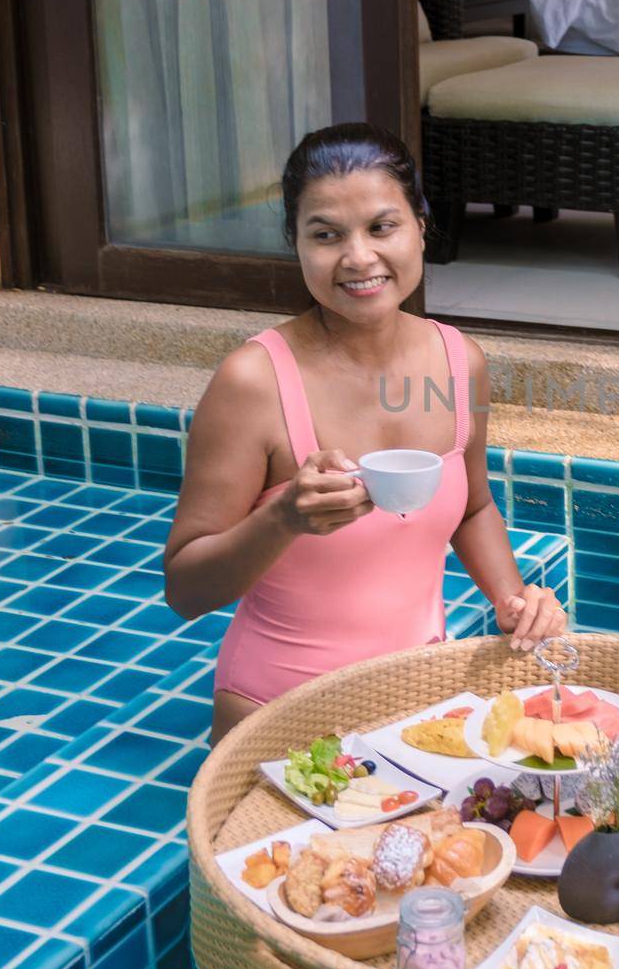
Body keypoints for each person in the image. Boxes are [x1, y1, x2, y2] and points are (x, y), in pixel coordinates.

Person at [164, 123, 566, 744]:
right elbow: (185, 589)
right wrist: (283, 520)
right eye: (326, 235)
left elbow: (472, 507)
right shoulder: (255, 381)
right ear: (295, 244)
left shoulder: (459, 361)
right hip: (278, 719)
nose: (358, 257)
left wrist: (515, 602)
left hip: (420, 707)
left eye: (382, 227)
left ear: (421, 228)